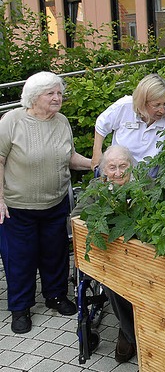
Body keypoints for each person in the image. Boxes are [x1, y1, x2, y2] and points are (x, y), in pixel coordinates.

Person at [0, 71, 92, 334]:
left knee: (56, 254)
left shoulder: (62, 122)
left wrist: (97, 163)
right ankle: (20, 308)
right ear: (33, 97)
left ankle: (55, 296)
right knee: (20, 259)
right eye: (50, 93)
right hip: (18, 207)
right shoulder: (12, 121)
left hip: (55, 203)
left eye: (59, 93)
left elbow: (70, 157)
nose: (57, 97)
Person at [71, 145, 137, 363]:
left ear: (131, 166)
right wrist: (98, 226)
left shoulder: (145, 187)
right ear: (102, 170)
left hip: (139, 257)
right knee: (114, 285)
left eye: (123, 166)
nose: (118, 173)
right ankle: (129, 333)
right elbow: (76, 218)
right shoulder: (96, 189)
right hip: (110, 258)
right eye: (112, 167)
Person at [91, 73, 165, 170]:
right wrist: (96, 154)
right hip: (120, 171)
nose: (162, 110)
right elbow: (101, 124)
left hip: (153, 174)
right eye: (157, 105)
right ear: (142, 102)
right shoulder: (124, 106)